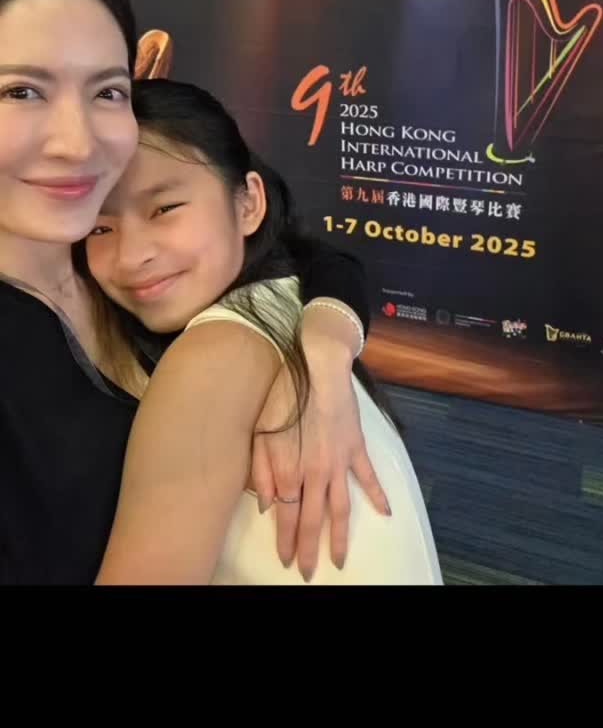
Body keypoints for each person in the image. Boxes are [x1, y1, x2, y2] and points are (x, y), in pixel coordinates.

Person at [0, 0, 387, 585]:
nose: (78, 142)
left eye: (107, 91)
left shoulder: (94, 253)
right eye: (21, 92)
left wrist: (319, 352)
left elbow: (307, 257)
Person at [88, 80, 443, 585]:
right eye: (99, 228)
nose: (131, 255)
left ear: (249, 203)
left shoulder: (213, 356)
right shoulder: (285, 295)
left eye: (164, 209)